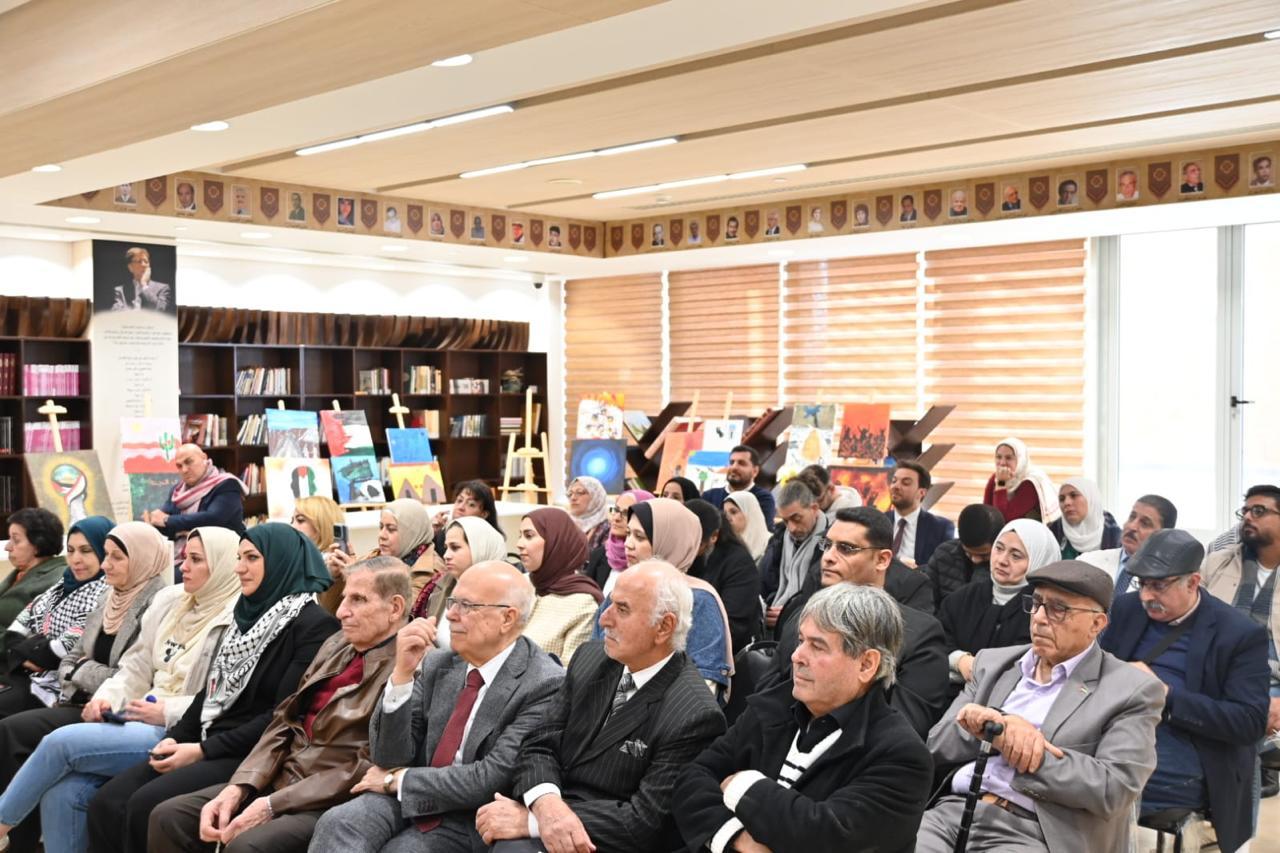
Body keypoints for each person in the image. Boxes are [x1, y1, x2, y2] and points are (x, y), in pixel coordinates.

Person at [84, 524, 339, 853]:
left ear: (281, 561)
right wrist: (177, 737)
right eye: (238, 558)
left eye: (251, 558)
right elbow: (210, 690)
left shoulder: (313, 626)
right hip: (208, 737)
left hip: (251, 753)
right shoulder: (246, 614)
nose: (239, 568)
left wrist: (201, 751)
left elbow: (281, 716)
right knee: (107, 801)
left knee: (145, 804)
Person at [0, 526, 239, 853]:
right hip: (134, 713)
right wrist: (106, 698)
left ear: (223, 565)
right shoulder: (172, 601)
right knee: (64, 792)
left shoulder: (235, 617)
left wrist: (164, 710)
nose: (183, 566)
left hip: (176, 728)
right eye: (184, 557)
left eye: (196, 560)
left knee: (59, 742)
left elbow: (221, 698)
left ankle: (2, 824)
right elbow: (136, 665)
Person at [149, 556, 412, 853]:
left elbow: (367, 764)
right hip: (280, 778)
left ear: (395, 608)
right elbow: (285, 719)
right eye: (344, 598)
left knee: (245, 846)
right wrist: (240, 786)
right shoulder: (337, 644)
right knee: (169, 817)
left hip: (329, 799)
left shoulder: (409, 666)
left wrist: (272, 804)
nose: (341, 611)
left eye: (358, 600)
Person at [310, 562, 563, 853]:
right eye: (453, 602)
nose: (451, 614)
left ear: (507, 618)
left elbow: (490, 778)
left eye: (466, 606)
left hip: (471, 813)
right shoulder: (439, 663)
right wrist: (402, 675)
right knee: (338, 822)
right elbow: (388, 756)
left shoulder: (543, 682)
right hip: (410, 797)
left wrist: (398, 780)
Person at [474, 561, 725, 853]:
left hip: (600, 842)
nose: (604, 619)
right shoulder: (591, 658)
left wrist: (533, 823)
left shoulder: (694, 714)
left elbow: (644, 823)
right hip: (550, 807)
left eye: (622, 609)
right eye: (609, 603)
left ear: (664, 627)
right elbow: (539, 743)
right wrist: (546, 805)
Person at [918, 558, 1164, 853]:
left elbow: (1113, 788)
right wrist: (995, 726)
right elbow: (937, 744)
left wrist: (1027, 750)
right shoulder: (994, 664)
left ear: (1097, 624)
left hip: (1036, 830)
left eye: (1059, 609)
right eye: (1036, 604)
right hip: (953, 812)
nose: (1039, 618)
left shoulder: (1129, 689)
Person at [673, 584, 932, 853]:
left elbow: (823, 836)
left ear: (866, 665)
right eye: (800, 641)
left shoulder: (902, 756)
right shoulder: (772, 707)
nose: (797, 656)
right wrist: (736, 837)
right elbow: (692, 778)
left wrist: (742, 785)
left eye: (817, 647)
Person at [1102, 529, 1267, 853]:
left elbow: (1249, 722)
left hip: (1187, 749)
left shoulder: (1239, 634)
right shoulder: (1126, 608)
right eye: (1142, 583)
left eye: (1158, 586)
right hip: (1117, 732)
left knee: (1105, 784)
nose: (1146, 596)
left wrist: (1166, 695)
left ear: (1193, 583)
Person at [760, 507, 949, 738]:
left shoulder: (919, 635)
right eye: (827, 545)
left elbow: (902, 730)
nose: (828, 556)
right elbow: (764, 702)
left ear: (882, 559)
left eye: (846, 548)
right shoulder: (802, 618)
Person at [602, 499, 733, 688]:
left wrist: (626, 697)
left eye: (640, 537)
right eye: (628, 534)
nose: (628, 544)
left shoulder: (697, 600)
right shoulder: (621, 590)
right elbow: (597, 658)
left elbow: (702, 684)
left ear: (670, 542)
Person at [1203, 484, 1280, 793]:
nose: (1247, 517)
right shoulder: (1217, 562)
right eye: (1245, 511)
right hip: (1215, 671)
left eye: (1258, 511)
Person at [0, 516, 109, 717]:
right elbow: (13, 634)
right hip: (25, 678)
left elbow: (59, 652)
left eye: (86, 550)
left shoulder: (105, 594)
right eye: (71, 550)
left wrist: (26, 648)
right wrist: (31, 649)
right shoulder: (61, 586)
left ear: (106, 552)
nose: (75, 559)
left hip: (59, 690)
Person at [941, 519, 1061, 697]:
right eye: (999, 548)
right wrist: (959, 660)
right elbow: (938, 640)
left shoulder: (1042, 611)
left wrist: (978, 668)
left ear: (1038, 561)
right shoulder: (962, 598)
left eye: (1016, 556)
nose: (1002, 560)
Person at [517, 508, 601, 665]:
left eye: (529, 536)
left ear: (555, 541)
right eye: (520, 536)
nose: (519, 544)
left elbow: (570, 671)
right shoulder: (519, 584)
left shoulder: (582, 603)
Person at [331, 499, 443, 617]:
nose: (382, 535)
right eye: (381, 527)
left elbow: (395, 616)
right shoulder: (375, 557)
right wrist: (337, 576)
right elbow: (334, 612)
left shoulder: (429, 571)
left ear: (411, 532)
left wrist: (357, 578)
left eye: (391, 529)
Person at [144, 444, 247, 561]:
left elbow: (213, 518)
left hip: (218, 555)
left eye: (189, 462)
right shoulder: (177, 491)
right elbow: (163, 525)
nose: (184, 470)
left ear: (204, 458)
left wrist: (169, 521)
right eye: (179, 466)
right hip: (182, 554)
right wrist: (154, 522)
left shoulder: (226, 484)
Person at [686, 499, 762, 652]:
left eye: (694, 541)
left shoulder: (738, 563)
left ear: (713, 536)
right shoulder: (683, 554)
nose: (686, 546)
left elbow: (731, 625)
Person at [427, 517, 508, 650]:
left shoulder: (504, 593)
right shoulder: (444, 584)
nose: (446, 555)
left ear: (480, 548)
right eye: (446, 548)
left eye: (455, 547)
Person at [758, 479, 827, 633]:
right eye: (785, 520)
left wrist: (789, 613)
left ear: (814, 508)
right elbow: (763, 580)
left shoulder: (830, 544)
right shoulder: (778, 538)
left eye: (797, 519)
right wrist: (766, 608)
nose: (792, 528)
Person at [0, 508, 70, 659]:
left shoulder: (58, 578)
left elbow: (37, 635)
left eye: (16, 540)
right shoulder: (20, 573)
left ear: (38, 544)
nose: (7, 547)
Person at [1079, 494, 1177, 595]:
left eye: (1145, 523)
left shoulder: (1167, 580)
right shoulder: (1087, 561)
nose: (1132, 526)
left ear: (1163, 537)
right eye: (1132, 517)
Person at [924, 504, 1006, 609]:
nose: (975, 560)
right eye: (969, 553)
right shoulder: (944, 554)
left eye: (984, 555)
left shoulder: (1006, 566)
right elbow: (927, 600)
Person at [886, 461, 954, 568]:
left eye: (905, 483)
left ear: (922, 492)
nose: (896, 486)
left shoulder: (941, 528)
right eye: (894, 481)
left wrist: (916, 571)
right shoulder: (877, 522)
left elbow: (943, 566)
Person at [582, 489, 653, 591]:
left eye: (625, 513)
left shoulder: (653, 562)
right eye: (616, 510)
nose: (616, 518)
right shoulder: (600, 555)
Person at [289, 494, 345, 614]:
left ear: (321, 524)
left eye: (300, 520)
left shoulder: (333, 565)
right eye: (292, 520)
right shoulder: (302, 562)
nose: (292, 526)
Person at [983, 437, 1059, 523]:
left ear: (1020, 460)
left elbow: (1004, 518)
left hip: (1028, 530)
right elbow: (986, 511)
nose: (1002, 462)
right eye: (998, 457)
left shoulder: (1030, 482)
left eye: (1009, 458)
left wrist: (1001, 483)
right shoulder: (997, 477)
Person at [700, 446, 777, 531]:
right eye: (731, 462)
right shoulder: (709, 496)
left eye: (741, 463)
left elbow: (758, 531)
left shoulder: (763, 498)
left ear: (755, 471)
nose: (734, 467)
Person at [1048, 477, 1120, 559]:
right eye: (1061, 499)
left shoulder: (1116, 536)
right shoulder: (1052, 533)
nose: (1066, 503)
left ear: (1091, 498)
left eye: (1073, 495)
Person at [430, 480, 503, 555]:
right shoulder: (443, 535)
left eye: (471, 504)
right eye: (459, 500)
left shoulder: (490, 542)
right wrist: (432, 534)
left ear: (484, 514)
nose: (461, 507)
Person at [112, 246, 173, 312]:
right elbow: (116, 314)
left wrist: (144, 284)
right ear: (130, 267)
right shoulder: (120, 291)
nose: (143, 265)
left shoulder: (163, 288)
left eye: (146, 261)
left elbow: (159, 310)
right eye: (139, 261)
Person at [723, 490, 769, 562]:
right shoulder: (725, 545)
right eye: (725, 514)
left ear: (749, 512)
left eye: (733, 512)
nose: (728, 518)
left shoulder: (771, 544)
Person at [566, 476, 610, 551]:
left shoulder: (607, 529)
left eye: (580, 493)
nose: (573, 498)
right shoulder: (565, 523)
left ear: (596, 496)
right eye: (570, 493)